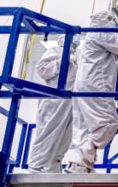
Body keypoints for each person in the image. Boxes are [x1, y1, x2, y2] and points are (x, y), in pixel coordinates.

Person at [62, 11, 118, 173]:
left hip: (85, 87)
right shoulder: (100, 32)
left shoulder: (92, 37)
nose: (112, 23)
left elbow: (108, 66)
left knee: (85, 128)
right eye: (110, 20)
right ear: (103, 21)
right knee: (108, 123)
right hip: (95, 86)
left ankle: (80, 167)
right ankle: (79, 160)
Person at [27, 39, 78, 173]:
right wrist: (62, 61)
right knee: (48, 133)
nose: (76, 40)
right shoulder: (55, 51)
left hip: (69, 102)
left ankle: (53, 167)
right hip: (54, 102)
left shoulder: (77, 58)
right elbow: (41, 70)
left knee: (64, 137)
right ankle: (36, 166)